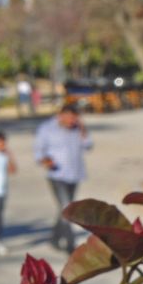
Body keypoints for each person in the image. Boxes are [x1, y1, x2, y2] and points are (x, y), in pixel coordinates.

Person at [34, 103, 91, 251]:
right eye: (69, 118)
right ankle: (70, 244)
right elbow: (39, 152)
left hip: (74, 174)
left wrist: (83, 129)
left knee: (64, 208)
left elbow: (88, 145)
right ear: (61, 116)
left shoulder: (78, 128)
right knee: (67, 208)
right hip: (57, 175)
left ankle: (54, 238)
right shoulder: (47, 129)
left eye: (74, 118)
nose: (72, 121)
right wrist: (46, 160)